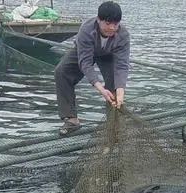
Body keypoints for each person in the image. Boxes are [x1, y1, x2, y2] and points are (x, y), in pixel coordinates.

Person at [54, 1, 130, 136]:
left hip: (108, 54)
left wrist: (120, 89)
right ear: (99, 20)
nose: (112, 28)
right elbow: (85, 63)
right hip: (84, 51)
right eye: (108, 23)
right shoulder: (87, 29)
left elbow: (122, 65)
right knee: (61, 72)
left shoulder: (123, 35)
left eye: (116, 24)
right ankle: (71, 119)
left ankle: (113, 122)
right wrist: (100, 88)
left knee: (114, 81)